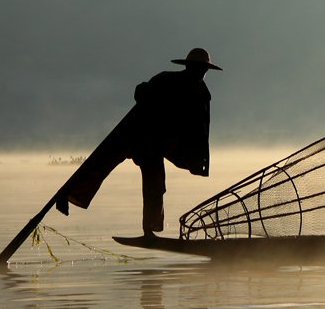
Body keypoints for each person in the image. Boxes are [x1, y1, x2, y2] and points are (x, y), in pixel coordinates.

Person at [55, 47, 222, 237]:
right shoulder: (167, 80)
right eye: (197, 67)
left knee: (155, 184)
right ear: (189, 67)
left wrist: (197, 160)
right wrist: (152, 102)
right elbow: (141, 91)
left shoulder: (201, 94)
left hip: (156, 144)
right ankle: (66, 194)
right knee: (101, 161)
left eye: (203, 69)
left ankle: (148, 230)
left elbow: (199, 129)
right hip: (136, 132)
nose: (201, 72)